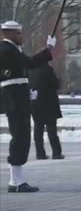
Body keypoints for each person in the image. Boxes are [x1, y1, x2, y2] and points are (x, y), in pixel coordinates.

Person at [0, 20, 56, 193]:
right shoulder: (6, 49)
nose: (21, 36)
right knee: (20, 135)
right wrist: (48, 50)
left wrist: (27, 89)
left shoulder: (13, 49)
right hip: (13, 97)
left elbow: (24, 69)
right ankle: (15, 182)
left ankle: (16, 180)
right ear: (7, 33)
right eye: (18, 33)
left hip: (18, 95)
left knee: (22, 135)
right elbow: (30, 63)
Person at [29, 63, 64, 160]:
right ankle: (56, 152)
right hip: (49, 104)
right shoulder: (48, 69)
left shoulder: (30, 71)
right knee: (52, 130)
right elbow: (55, 84)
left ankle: (40, 153)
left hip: (35, 105)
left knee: (38, 130)